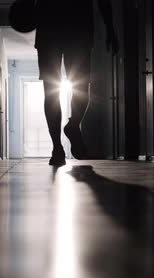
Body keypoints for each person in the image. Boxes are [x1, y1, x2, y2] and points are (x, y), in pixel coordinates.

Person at [34, 0, 119, 166]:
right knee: (61, 88)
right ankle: (58, 146)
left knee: (75, 87)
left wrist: (110, 27)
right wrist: (109, 27)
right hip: (70, 29)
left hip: (61, 29)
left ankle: (71, 129)